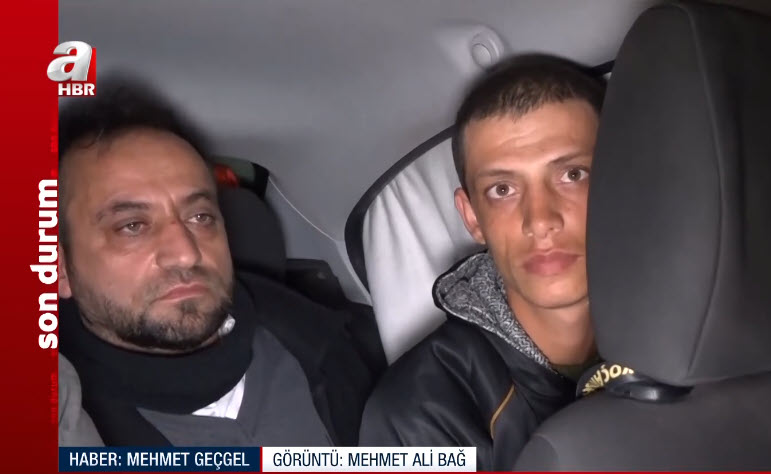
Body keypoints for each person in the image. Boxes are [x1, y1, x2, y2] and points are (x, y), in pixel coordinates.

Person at [57, 78, 377, 446]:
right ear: (60, 268)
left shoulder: (324, 345)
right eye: (132, 226)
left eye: (200, 217)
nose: (185, 252)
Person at [359, 54, 604, 469]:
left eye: (572, 175)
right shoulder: (421, 414)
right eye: (503, 189)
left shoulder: (690, 329)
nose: (540, 220)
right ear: (472, 217)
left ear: (620, 180)